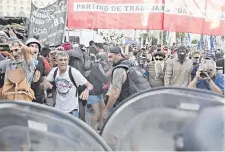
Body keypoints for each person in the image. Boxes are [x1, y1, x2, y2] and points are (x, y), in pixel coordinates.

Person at [40, 51, 93, 117]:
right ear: (56, 62)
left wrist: (87, 90)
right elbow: (42, 86)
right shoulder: (54, 71)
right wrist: (44, 84)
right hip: (58, 110)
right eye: (60, 60)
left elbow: (90, 85)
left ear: (68, 61)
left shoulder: (73, 72)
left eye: (65, 60)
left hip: (72, 111)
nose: (63, 62)